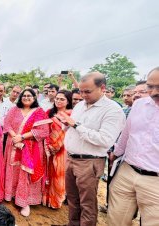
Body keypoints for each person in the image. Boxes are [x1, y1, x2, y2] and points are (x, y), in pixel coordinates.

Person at [57, 72, 125, 226]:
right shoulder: (81, 104)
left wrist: (75, 125)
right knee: (73, 199)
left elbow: (105, 139)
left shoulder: (112, 110)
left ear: (102, 88)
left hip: (89, 162)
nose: (82, 95)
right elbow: (72, 126)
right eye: (81, 91)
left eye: (87, 91)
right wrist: (66, 124)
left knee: (87, 203)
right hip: (71, 158)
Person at [107, 67, 159, 226]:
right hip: (127, 171)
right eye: (150, 86)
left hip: (155, 181)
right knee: (116, 220)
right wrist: (115, 154)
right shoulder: (139, 105)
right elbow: (127, 134)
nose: (154, 92)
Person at [3, 88, 49, 217]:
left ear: (34, 98)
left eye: (29, 96)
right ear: (20, 97)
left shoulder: (39, 112)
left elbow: (44, 131)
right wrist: (15, 137)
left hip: (31, 148)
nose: (26, 97)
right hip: (13, 144)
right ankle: (10, 194)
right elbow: (7, 124)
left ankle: (24, 202)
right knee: (13, 170)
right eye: (24, 95)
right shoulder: (14, 110)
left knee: (25, 173)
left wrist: (22, 137)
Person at [43, 90, 73, 209]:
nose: (58, 101)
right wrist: (48, 144)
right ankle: (46, 199)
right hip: (48, 147)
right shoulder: (49, 112)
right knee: (48, 172)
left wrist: (57, 146)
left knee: (58, 173)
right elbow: (44, 129)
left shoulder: (71, 115)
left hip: (62, 148)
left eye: (62, 99)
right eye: (57, 98)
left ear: (68, 101)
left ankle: (56, 201)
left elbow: (69, 132)